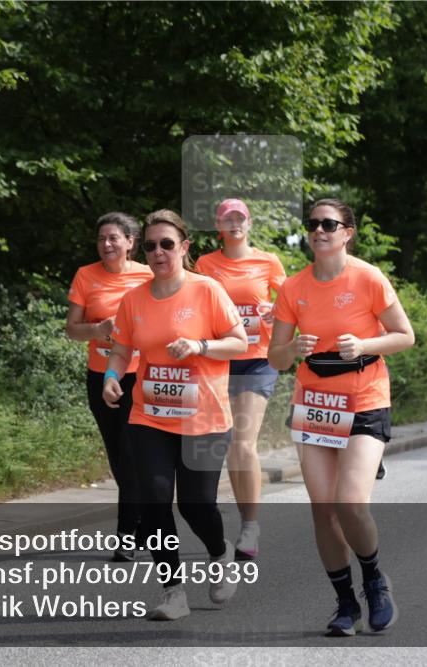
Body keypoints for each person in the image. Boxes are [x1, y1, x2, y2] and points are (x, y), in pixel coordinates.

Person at [268, 198, 415, 636]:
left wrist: (365, 346)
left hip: (365, 399)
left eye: (328, 224)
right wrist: (292, 349)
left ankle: (373, 578)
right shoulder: (293, 288)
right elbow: (275, 358)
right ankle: (345, 603)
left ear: (347, 232)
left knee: (350, 502)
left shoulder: (367, 277)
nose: (319, 230)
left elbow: (405, 336)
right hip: (314, 405)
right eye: (312, 224)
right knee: (323, 510)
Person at [102, 209, 248, 620]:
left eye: (167, 244)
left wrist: (201, 346)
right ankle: (173, 591)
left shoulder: (207, 290)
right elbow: (121, 349)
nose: (158, 252)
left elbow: (238, 342)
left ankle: (221, 554)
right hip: (149, 414)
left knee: (197, 505)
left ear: (184, 248)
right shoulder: (134, 299)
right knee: (153, 502)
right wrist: (111, 377)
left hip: (204, 417)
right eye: (150, 245)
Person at [194, 198, 286, 561]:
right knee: (225, 444)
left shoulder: (268, 261)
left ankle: (250, 526)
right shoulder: (205, 265)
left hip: (257, 361)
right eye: (227, 219)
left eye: (240, 218)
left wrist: (274, 313)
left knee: (242, 443)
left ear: (249, 224)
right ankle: (221, 521)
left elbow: (293, 303)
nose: (234, 224)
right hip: (217, 363)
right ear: (218, 226)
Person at [66, 213, 153, 561]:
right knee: (118, 456)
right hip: (102, 376)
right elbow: (71, 329)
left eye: (114, 238)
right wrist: (98, 329)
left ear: (131, 242)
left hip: (141, 375)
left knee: (132, 455)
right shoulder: (86, 276)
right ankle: (145, 521)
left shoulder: (148, 276)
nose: (107, 244)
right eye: (102, 238)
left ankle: (126, 536)